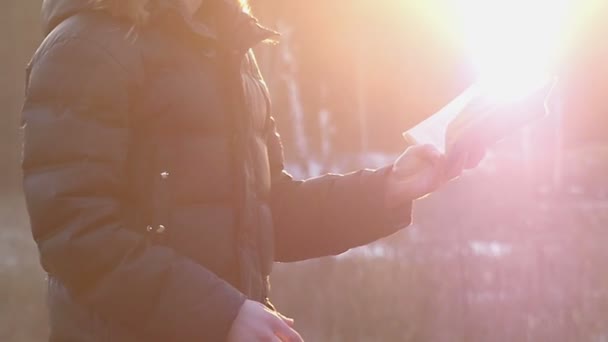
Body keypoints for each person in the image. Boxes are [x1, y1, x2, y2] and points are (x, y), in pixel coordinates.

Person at [22, 0, 482, 340]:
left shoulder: (230, 48)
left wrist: (390, 188)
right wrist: (220, 314)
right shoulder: (86, 45)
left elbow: (268, 210)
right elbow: (76, 236)